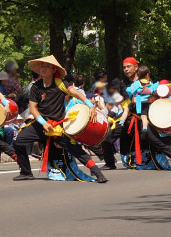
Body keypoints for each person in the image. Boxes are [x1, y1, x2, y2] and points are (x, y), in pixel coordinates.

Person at [12, 55, 108, 183]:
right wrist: (43, 123)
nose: (43, 69)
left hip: (58, 125)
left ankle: (97, 172)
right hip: (41, 123)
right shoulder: (36, 87)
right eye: (42, 66)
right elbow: (33, 108)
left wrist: (90, 106)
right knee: (18, 140)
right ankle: (25, 172)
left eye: (47, 67)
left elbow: (76, 93)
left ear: (53, 70)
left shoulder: (61, 83)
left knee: (75, 149)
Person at [99, 57, 139, 170]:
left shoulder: (143, 82)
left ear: (136, 67)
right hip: (124, 116)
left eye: (128, 66)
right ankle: (110, 163)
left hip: (142, 116)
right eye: (124, 67)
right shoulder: (122, 83)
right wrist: (105, 114)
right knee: (106, 136)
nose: (126, 69)